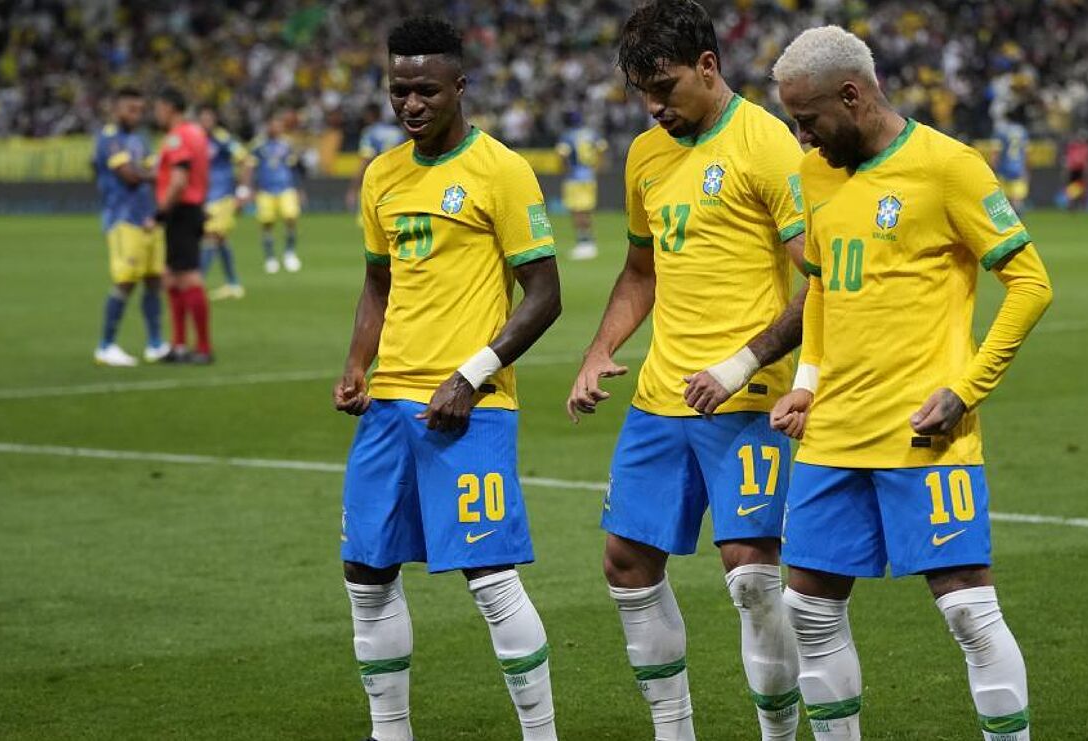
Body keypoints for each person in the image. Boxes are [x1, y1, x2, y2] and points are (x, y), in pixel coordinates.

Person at [768, 26, 1053, 741]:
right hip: (833, 432)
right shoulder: (816, 175)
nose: (801, 138)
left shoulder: (948, 167)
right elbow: (825, 287)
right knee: (808, 607)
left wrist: (966, 387)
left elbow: (1031, 284)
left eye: (807, 121)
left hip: (925, 430)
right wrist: (807, 380)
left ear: (853, 94)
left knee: (965, 607)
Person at [565, 1, 808, 738]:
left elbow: (823, 280)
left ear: (709, 67)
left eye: (665, 87)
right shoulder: (647, 154)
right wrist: (599, 348)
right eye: (642, 92)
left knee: (752, 574)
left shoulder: (766, 145)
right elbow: (641, 270)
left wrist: (744, 363)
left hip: (747, 397)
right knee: (626, 561)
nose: (653, 107)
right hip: (661, 398)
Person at [333, 16, 563, 741]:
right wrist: (355, 364)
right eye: (398, 90)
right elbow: (378, 282)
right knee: (365, 572)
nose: (410, 104)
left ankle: (541, 733)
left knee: (490, 579)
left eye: (425, 89)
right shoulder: (381, 174)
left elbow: (546, 294)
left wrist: (473, 374)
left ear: (460, 86)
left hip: (471, 406)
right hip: (389, 407)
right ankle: (389, 730)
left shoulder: (501, 169)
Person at [92, 87, 168, 366]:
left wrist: (153, 173)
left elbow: (148, 171)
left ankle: (155, 343)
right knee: (125, 281)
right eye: (130, 109)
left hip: (147, 217)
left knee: (153, 280)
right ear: (116, 109)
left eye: (139, 109)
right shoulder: (109, 138)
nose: (135, 115)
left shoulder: (140, 138)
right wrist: (156, 172)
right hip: (123, 218)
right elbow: (130, 176)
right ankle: (106, 345)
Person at [153, 87, 213, 364]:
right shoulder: (198, 133)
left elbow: (179, 178)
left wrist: (161, 212)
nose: (156, 113)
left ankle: (202, 348)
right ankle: (178, 344)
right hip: (193, 207)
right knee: (171, 276)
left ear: (168, 107)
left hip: (181, 209)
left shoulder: (178, 136)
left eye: (158, 107)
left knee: (188, 276)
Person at [198, 105, 250, 299]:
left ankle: (197, 283)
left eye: (209, 119)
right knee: (220, 239)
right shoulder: (196, 139)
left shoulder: (223, 138)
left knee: (210, 236)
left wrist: (243, 190)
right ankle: (233, 283)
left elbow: (246, 160)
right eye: (203, 119)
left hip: (222, 196)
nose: (206, 123)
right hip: (205, 196)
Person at [250, 112, 304, 274]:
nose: (276, 128)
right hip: (265, 190)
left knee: (291, 218)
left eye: (278, 125)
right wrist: (249, 188)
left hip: (286, 187)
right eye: (273, 125)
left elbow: (294, 168)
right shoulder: (258, 146)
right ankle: (270, 258)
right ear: (268, 126)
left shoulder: (287, 145)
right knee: (267, 223)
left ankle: (289, 253)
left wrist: (299, 189)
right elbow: (250, 167)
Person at [555, 110, 607, 261]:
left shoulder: (567, 135)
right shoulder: (591, 133)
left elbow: (562, 154)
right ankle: (590, 242)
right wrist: (598, 167)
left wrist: (564, 168)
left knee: (577, 210)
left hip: (574, 176)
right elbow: (602, 148)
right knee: (586, 210)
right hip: (589, 175)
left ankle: (583, 243)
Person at [348, 102, 406, 220]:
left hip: (378, 184)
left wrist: (353, 188)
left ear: (369, 115)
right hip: (399, 183)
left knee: (373, 229)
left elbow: (365, 161)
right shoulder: (397, 132)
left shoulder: (370, 133)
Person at [992, 106, 1030, 212]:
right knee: (1017, 197)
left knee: (1004, 198)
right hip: (1018, 167)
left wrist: (994, 166)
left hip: (1004, 167)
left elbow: (996, 152)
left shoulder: (1000, 131)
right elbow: (1026, 153)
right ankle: (1018, 218)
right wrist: (1026, 168)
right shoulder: (1022, 131)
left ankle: (1008, 222)